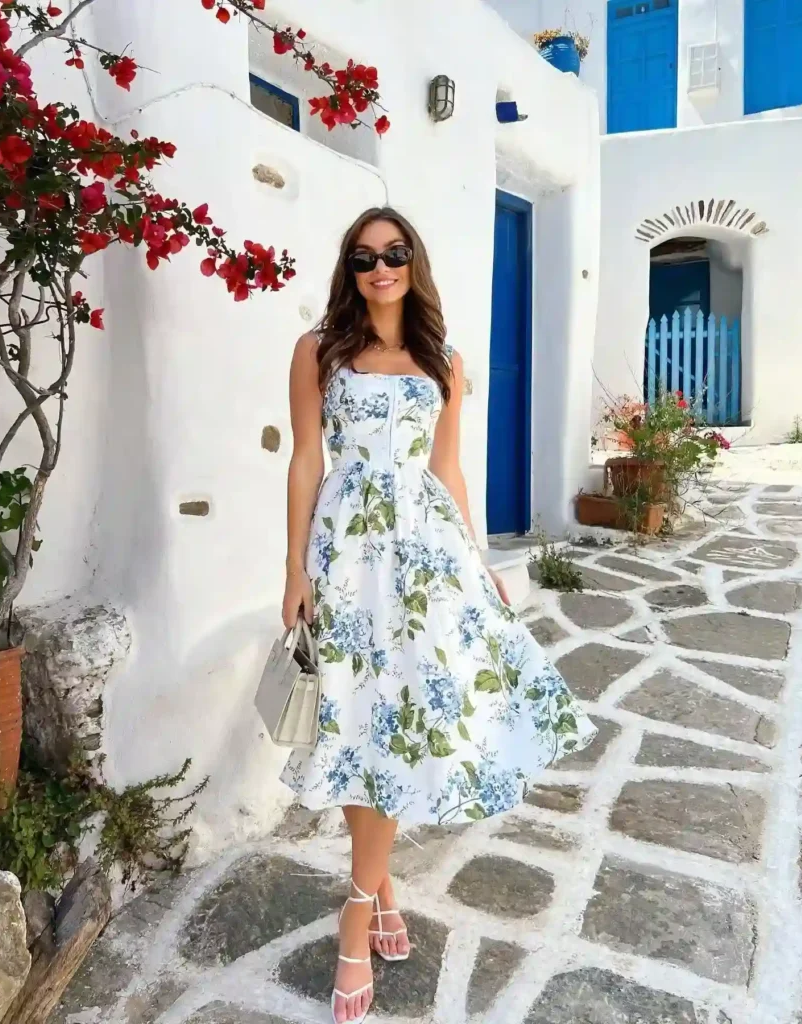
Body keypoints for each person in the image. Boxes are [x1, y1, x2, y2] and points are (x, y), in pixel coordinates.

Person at [280, 207, 596, 1024]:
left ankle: (362, 907)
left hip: (425, 561)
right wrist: (293, 567)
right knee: (357, 724)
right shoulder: (319, 351)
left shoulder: (443, 362)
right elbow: (307, 458)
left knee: (403, 721)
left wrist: (479, 558)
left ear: (413, 262)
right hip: (346, 559)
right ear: (347, 270)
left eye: (393, 253)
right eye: (362, 257)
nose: (379, 267)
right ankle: (374, 895)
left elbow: (449, 470)